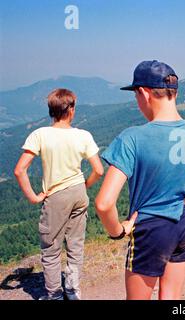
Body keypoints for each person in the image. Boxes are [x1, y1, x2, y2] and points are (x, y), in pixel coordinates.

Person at [95, 60, 185, 300]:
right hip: (183, 226)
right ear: (174, 92)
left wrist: (119, 231)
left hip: (150, 230)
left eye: (136, 96)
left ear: (143, 93)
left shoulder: (131, 138)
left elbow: (103, 203)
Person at [14, 89, 104, 300]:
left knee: (51, 248)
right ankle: (73, 292)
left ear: (51, 111)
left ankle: (54, 295)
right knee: (75, 245)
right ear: (71, 110)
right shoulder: (83, 135)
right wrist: (85, 185)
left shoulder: (40, 135)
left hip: (55, 195)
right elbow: (99, 170)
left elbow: (19, 170)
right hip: (78, 193)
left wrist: (34, 197)